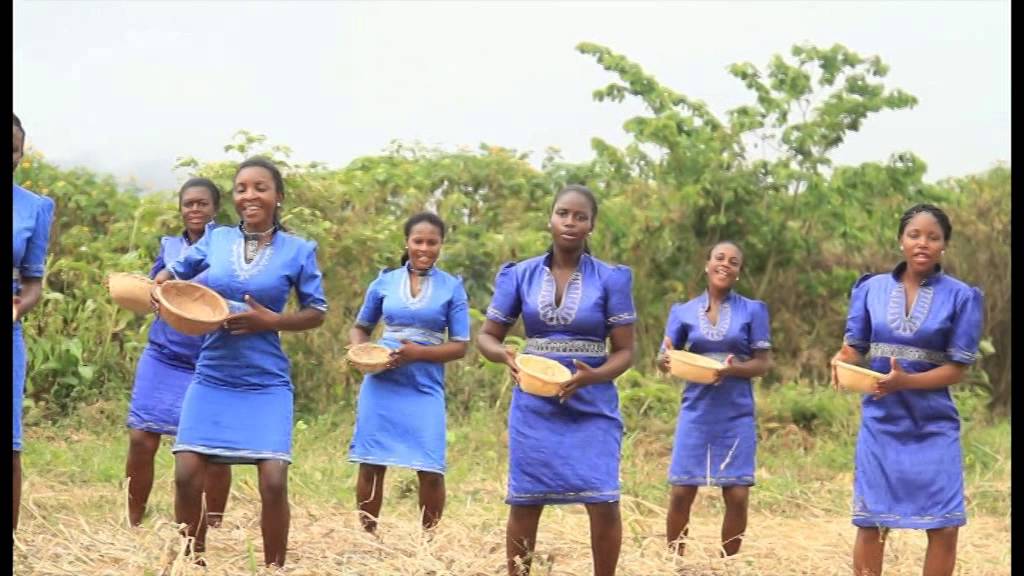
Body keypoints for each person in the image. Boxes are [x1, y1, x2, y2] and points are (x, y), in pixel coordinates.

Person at [153, 157, 328, 567]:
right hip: (213, 374)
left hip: (265, 381)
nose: (250, 195)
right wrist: (158, 292)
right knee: (185, 473)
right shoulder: (216, 240)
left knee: (273, 479)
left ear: (278, 197)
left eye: (260, 187)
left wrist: (274, 320)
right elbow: (171, 273)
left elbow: (317, 311)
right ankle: (192, 563)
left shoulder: (299, 250)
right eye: (242, 188)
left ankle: (273, 567)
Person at [476, 184, 636, 576]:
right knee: (526, 499)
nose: (570, 222)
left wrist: (593, 376)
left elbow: (625, 352)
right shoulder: (520, 275)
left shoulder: (611, 279)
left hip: (592, 402)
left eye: (580, 216)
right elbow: (486, 337)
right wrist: (505, 356)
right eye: (563, 213)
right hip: (535, 399)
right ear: (550, 218)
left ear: (591, 225)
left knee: (603, 499)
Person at [830, 204, 983, 576]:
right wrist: (840, 359)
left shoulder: (962, 297)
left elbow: (957, 369)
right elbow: (855, 346)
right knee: (872, 522)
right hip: (881, 420)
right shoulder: (871, 289)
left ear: (944, 245)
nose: (923, 243)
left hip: (933, 423)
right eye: (915, 235)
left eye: (933, 237)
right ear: (901, 239)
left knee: (945, 526)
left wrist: (906, 382)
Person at [347, 212, 470, 533]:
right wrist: (361, 352)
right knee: (372, 461)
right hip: (382, 380)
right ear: (407, 242)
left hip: (425, 385)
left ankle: (428, 541)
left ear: (442, 244)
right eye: (418, 241)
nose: (425, 248)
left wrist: (420, 354)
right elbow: (361, 327)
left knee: (430, 466)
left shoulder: (452, 287)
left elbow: (460, 346)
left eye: (432, 242)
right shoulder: (384, 282)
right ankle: (368, 535)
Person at [123, 178, 231, 527]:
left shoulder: (228, 246)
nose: (195, 210)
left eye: (202, 204)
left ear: (215, 208)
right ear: (181, 208)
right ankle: (133, 519)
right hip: (164, 353)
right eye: (189, 204)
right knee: (141, 437)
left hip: (211, 358)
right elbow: (154, 287)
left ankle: (212, 524)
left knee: (212, 450)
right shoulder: (169, 246)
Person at [656, 240, 773, 557]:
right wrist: (663, 360)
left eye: (733, 261)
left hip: (736, 412)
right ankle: (674, 560)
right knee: (682, 490)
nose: (725, 264)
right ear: (706, 265)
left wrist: (733, 370)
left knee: (736, 494)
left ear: (738, 272)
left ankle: (728, 563)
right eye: (719, 258)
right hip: (696, 410)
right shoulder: (681, 312)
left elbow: (763, 363)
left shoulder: (753, 310)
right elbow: (665, 358)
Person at [12, 112, 55, 531]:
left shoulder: (35, 208)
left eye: (14, 149)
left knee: (10, 447)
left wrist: (16, 310)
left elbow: (33, 282)